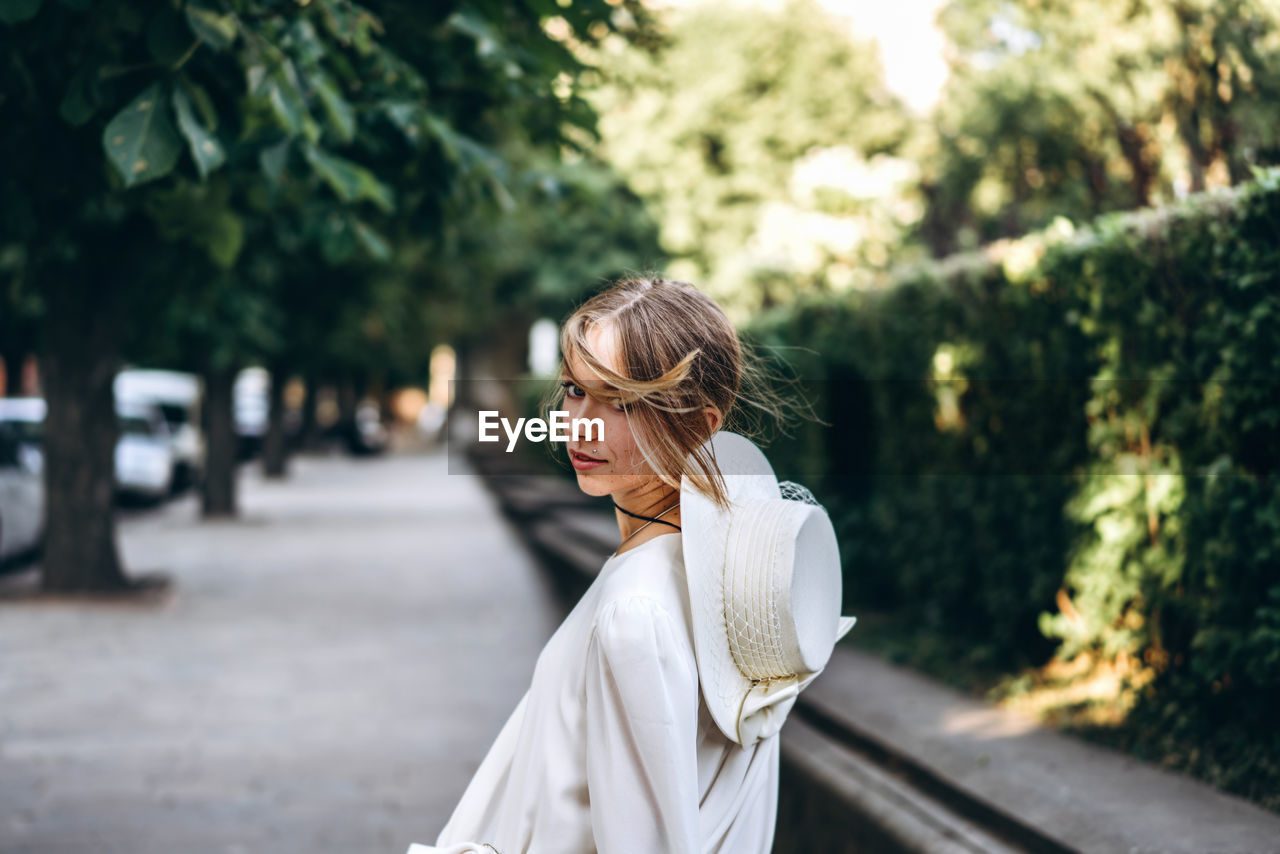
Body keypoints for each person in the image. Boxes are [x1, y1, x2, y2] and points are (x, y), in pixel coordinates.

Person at [404, 277, 855, 854]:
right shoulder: (734, 576)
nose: (582, 423)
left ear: (700, 423)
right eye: (573, 390)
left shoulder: (636, 611)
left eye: (621, 401)